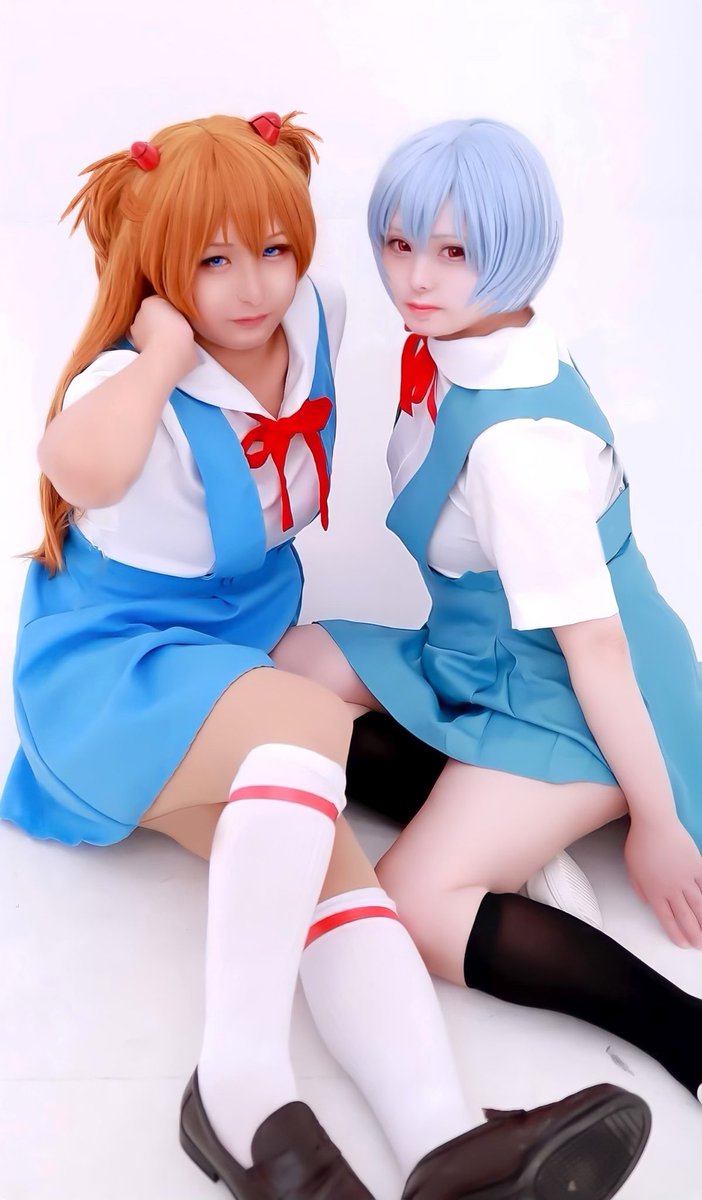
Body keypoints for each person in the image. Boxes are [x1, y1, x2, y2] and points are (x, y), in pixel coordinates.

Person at [0, 111, 651, 1200]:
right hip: (113, 679)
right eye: (210, 262)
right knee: (308, 726)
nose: (253, 286)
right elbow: (80, 469)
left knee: (328, 864)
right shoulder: (123, 389)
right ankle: (238, 1089)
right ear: (157, 266)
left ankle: (443, 1141)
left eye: (273, 248)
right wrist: (159, 357)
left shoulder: (317, 314)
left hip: (235, 668)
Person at [274, 117, 702, 1112]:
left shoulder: (523, 449)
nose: (417, 277)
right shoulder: (469, 346)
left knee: (414, 900)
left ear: (514, 246)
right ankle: (504, 829)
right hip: (485, 647)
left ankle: (683, 1033)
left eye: (455, 251)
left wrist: (656, 821)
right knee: (289, 674)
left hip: (580, 697)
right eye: (399, 243)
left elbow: (597, 649)